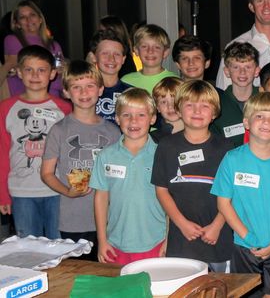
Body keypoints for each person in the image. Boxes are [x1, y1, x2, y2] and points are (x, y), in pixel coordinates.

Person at [212, 92, 270, 298]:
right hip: (243, 246)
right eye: (259, 116)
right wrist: (247, 236)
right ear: (246, 122)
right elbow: (223, 204)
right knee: (245, 293)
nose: (266, 122)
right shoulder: (232, 159)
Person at [152, 80, 235, 272]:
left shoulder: (226, 148)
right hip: (181, 238)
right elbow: (162, 190)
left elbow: (232, 194)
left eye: (205, 106)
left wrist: (217, 226)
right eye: (190, 105)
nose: (197, 111)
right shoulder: (166, 146)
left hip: (218, 237)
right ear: (179, 110)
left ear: (214, 113)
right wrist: (182, 224)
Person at [41, 60, 120, 258]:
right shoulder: (59, 130)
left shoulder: (113, 132)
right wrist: (68, 192)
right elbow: (47, 173)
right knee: (78, 276)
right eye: (76, 87)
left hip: (110, 219)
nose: (84, 93)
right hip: (73, 219)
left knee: (106, 276)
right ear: (66, 92)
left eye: (90, 86)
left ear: (100, 89)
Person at [0, 46, 70, 238]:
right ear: (19, 73)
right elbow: (2, 153)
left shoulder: (64, 108)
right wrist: (2, 194)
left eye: (41, 70)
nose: (35, 75)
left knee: (61, 247)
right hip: (22, 192)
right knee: (29, 250)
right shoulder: (6, 108)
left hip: (58, 191)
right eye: (29, 69)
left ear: (52, 74)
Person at [90, 88, 166, 264]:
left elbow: (171, 198)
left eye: (141, 115)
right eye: (126, 115)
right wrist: (102, 240)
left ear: (153, 118)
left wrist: (169, 238)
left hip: (156, 241)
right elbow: (101, 198)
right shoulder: (105, 156)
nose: (133, 121)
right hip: (116, 243)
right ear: (117, 118)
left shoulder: (162, 154)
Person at [171, 35, 244, 146]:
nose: (191, 63)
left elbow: (238, 135)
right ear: (178, 65)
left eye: (197, 58)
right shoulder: (168, 96)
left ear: (207, 63)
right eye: (185, 58)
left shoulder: (221, 97)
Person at [2, 0, 65, 98]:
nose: (29, 20)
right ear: (17, 24)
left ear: (40, 19)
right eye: (22, 17)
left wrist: (63, 70)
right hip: (25, 100)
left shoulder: (54, 45)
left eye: (32, 15)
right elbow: (11, 65)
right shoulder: (13, 40)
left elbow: (61, 74)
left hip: (53, 98)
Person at [91, 29, 131, 125]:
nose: (111, 59)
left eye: (117, 54)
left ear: (123, 59)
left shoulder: (131, 93)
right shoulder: (83, 92)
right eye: (105, 53)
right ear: (94, 57)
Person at [120, 24, 177, 93]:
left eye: (156, 47)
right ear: (136, 50)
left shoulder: (175, 81)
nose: (150, 51)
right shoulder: (125, 81)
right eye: (144, 46)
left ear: (165, 52)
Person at [222, 42, 261, 110]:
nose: (242, 72)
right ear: (227, 71)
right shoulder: (218, 102)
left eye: (248, 67)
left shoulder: (266, 100)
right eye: (236, 67)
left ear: (256, 71)